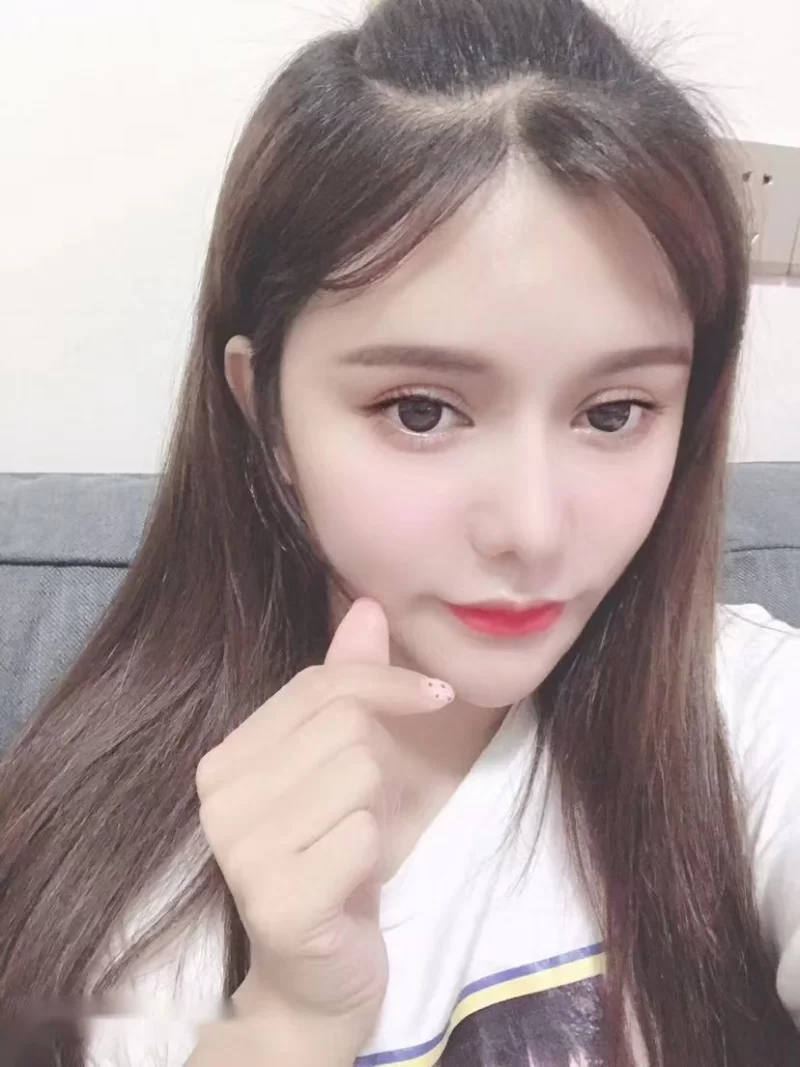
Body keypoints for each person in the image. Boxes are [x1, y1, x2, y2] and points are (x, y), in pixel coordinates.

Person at [1, 0, 798, 1064]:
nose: (531, 528)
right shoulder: (104, 877)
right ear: (265, 412)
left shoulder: (744, 716)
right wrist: (287, 1019)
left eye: (614, 413)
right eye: (421, 411)